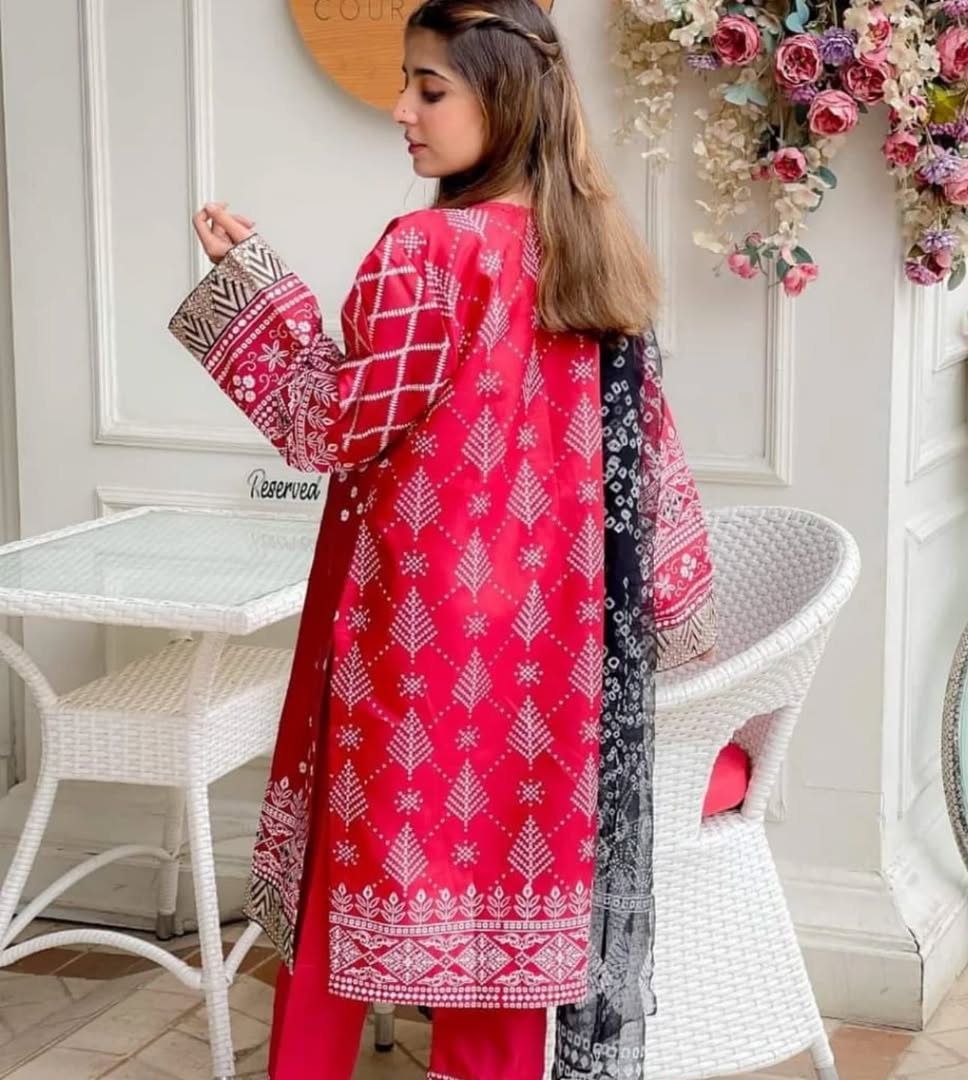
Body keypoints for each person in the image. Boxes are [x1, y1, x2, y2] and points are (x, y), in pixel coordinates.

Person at [169, 2, 718, 1076]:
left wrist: (257, 295)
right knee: (510, 917)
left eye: (430, 89)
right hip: (552, 654)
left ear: (503, 99)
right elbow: (651, 469)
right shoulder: (593, 252)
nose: (402, 111)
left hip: (416, 644)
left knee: (347, 892)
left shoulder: (425, 252)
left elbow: (330, 427)